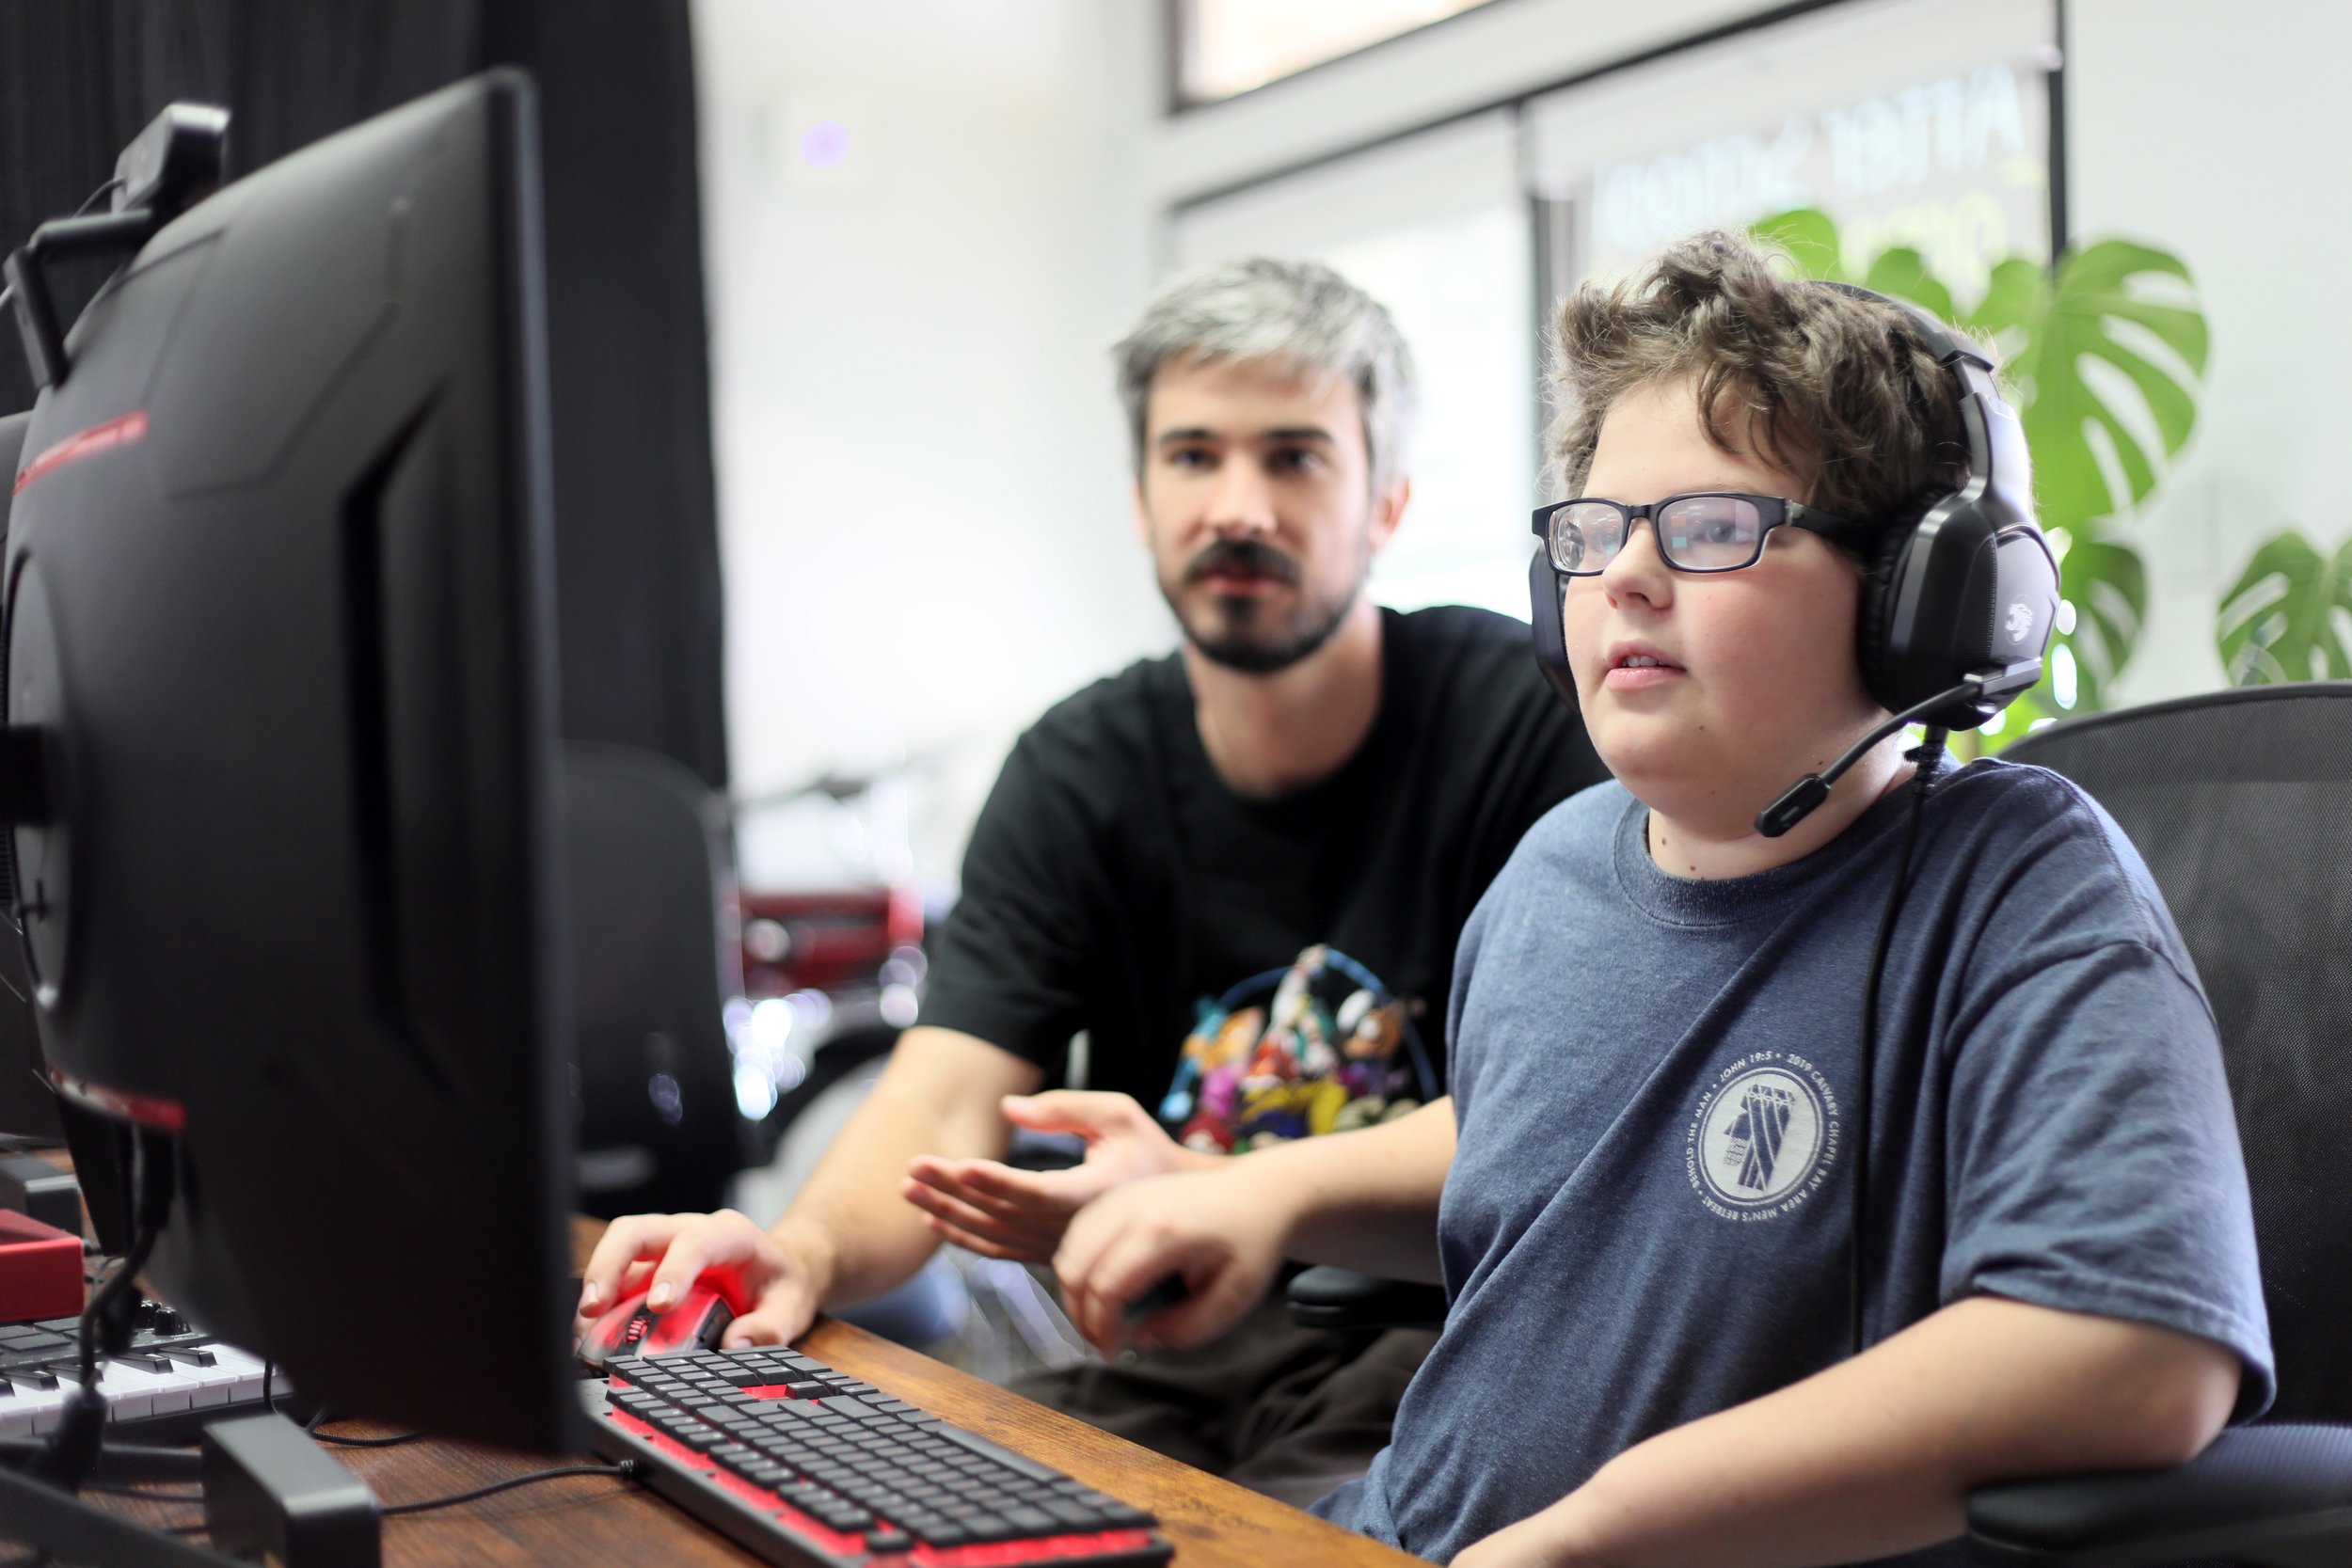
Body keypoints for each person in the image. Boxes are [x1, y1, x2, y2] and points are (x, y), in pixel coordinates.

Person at [1049, 230, 2273, 1566]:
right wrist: (1263, 1193)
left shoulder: (2012, 883)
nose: (1623, 575)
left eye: (1707, 528)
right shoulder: (1557, 870)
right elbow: (1547, 1158)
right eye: (1593, 532)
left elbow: (2136, 1353)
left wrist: (1598, 1534)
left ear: (1921, 601)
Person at [579, 257, 1610, 1502]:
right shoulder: (1078, 768)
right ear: (1139, 496)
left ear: (1387, 502)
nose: (1240, 506)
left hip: (1442, 1342)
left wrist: (1241, 1192)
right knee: (907, 1512)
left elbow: (1565, 1107)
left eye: (1294, 458)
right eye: (1193, 456)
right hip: (1169, 1353)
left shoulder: (1527, 721)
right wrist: (798, 1248)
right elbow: (944, 1099)